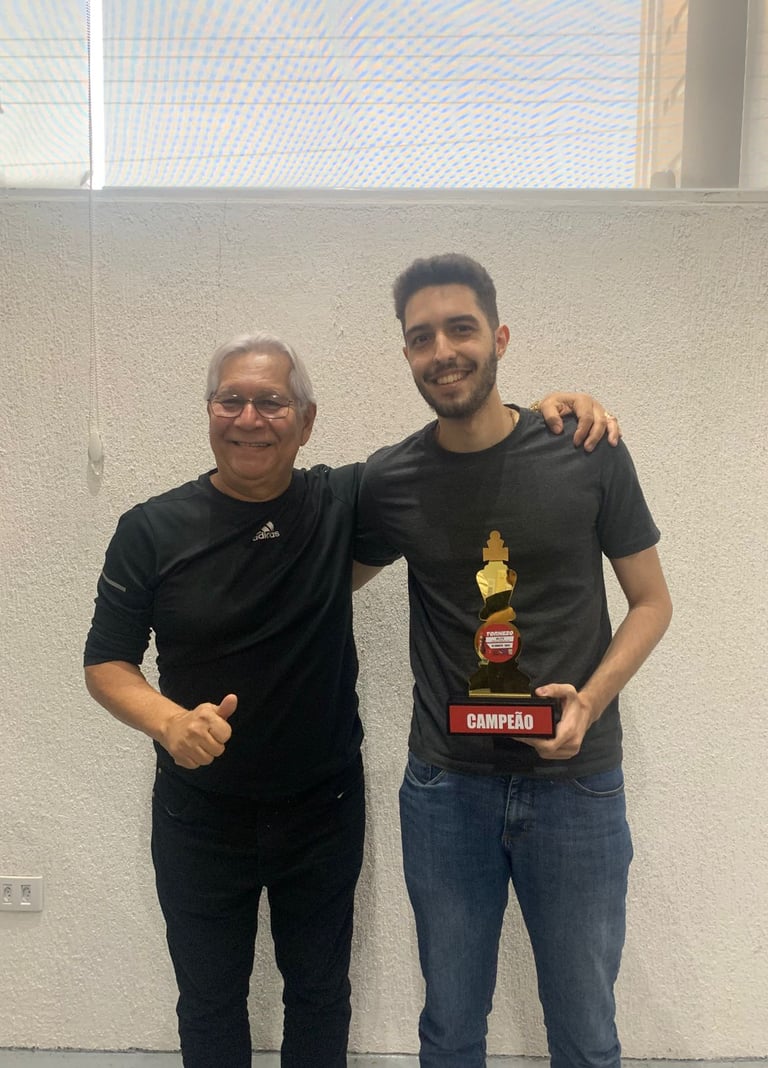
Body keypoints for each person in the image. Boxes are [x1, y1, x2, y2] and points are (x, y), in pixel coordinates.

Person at [83, 330, 619, 1068]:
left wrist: (544, 416)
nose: (249, 418)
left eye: (272, 402)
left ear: (306, 421)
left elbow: (457, 451)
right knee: (207, 1000)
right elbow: (106, 663)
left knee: (320, 995)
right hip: (196, 812)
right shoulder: (148, 530)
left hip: (322, 808)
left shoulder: (343, 501)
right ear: (208, 413)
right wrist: (168, 721)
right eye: (230, 400)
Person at [358, 254, 672, 1068]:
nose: (442, 351)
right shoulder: (390, 480)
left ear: (498, 338)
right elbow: (315, 579)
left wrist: (590, 702)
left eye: (460, 329)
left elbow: (651, 603)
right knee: (449, 1030)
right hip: (444, 788)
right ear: (406, 354)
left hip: (577, 787)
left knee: (586, 1035)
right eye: (421, 337)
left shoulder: (587, 449)